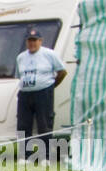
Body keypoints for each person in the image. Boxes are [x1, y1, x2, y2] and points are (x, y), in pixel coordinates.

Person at [15, 28, 67, 161]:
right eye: (29, 41)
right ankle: (25, 156)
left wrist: (51, 86)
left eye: (34, 40)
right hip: (25, 93)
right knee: (23, 125)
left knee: (44, 124)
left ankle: (46, 156)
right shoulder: (21, 57)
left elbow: (62, 72)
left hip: (43, 92)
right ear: (27, 42)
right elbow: (18, 76)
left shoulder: (49, 54)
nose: (32, 43)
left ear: (40, 41)